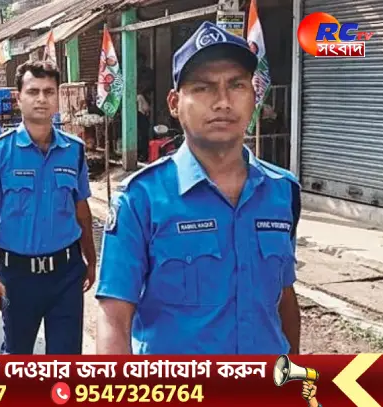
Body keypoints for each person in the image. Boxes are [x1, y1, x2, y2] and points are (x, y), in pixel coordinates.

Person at [95, 21, 301, 355]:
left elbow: (284, 298)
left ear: (254, 96)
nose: (222, 102)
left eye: (236, 85)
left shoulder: (282, 191)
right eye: (203, 88)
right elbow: (114, 318)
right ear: (174, 103)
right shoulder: (140, 199)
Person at [0, 60, 96, 354]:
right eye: (33, 91)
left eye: (49, 92)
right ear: (19, 98)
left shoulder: (74, 150)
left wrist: (90, 259)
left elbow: (82, 210)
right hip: (17, 276)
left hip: (66, 273)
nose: (41, 99)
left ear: (57, 96)